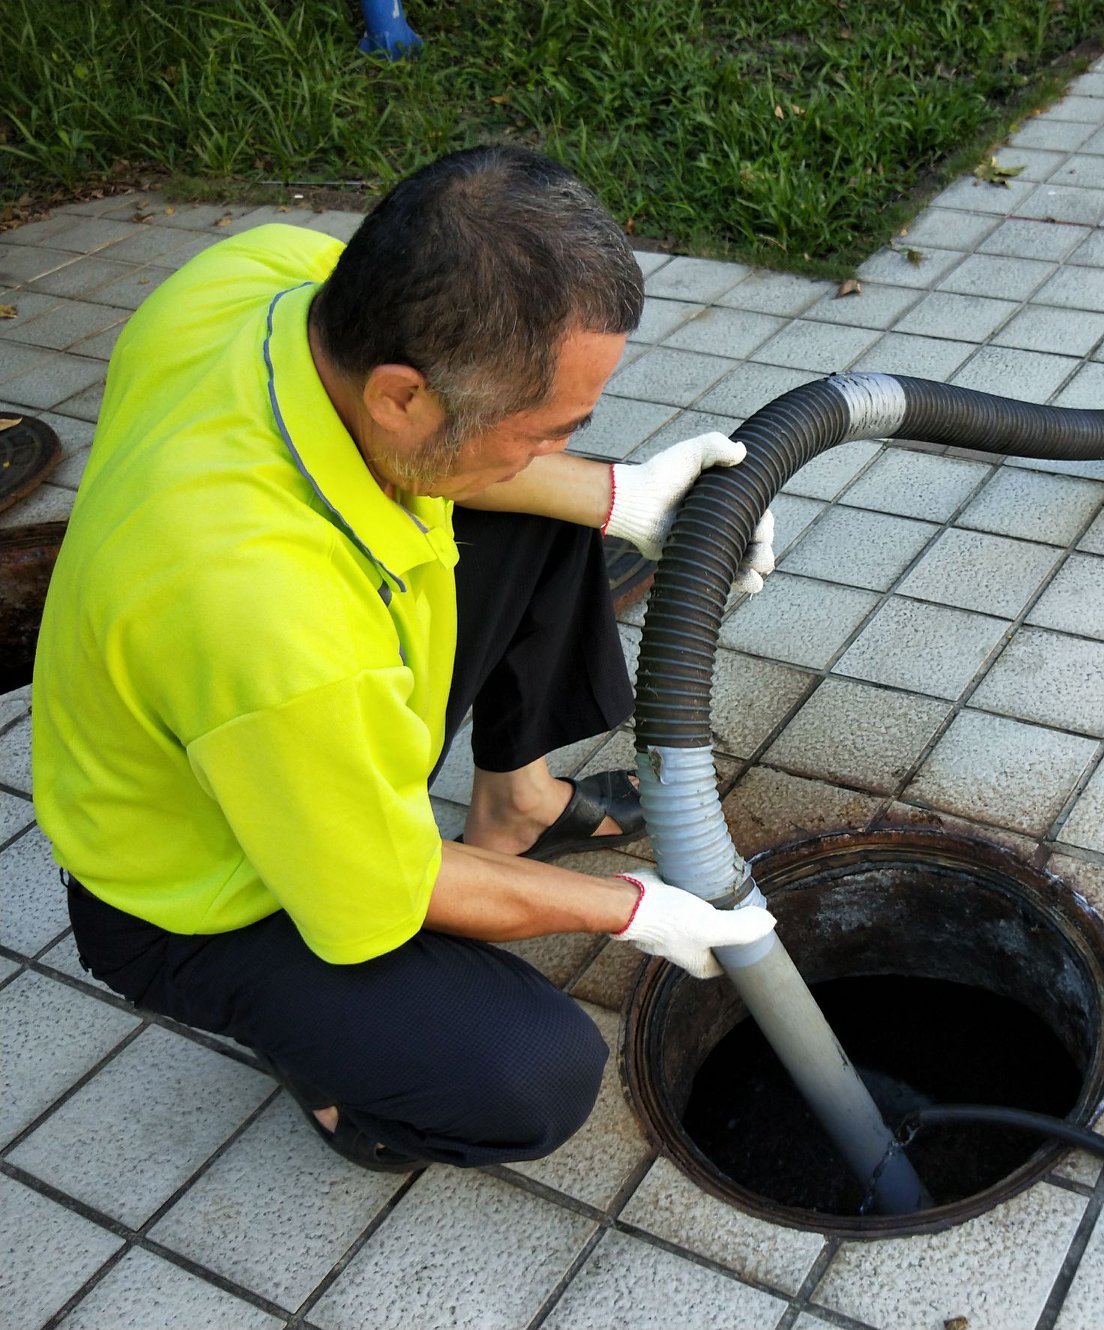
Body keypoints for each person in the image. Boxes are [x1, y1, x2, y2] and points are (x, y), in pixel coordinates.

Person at [31, 146, 777, 1172]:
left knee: (533, 505)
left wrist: (620, 496)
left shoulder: (259, 278)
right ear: (398, 397)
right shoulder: (266, 618)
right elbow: (389, 883)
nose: (553, 447)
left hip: (279, 713)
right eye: (542, 427)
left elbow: (491, 464)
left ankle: (517, 804)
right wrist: (638, 907)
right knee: (530, 1074)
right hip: (199, 885)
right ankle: (340, 1085)